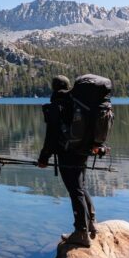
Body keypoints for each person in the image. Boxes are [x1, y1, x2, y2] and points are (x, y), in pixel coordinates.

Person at [37, 75, 97, 247]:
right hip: (83, 150)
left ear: (54, 88)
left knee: (75, 190)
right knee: (81, 186)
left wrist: (44, 158)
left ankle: (81, 232)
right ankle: (91, 222)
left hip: (68, 152)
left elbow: (52, 135)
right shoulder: (77, 103)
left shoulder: (58, 105)